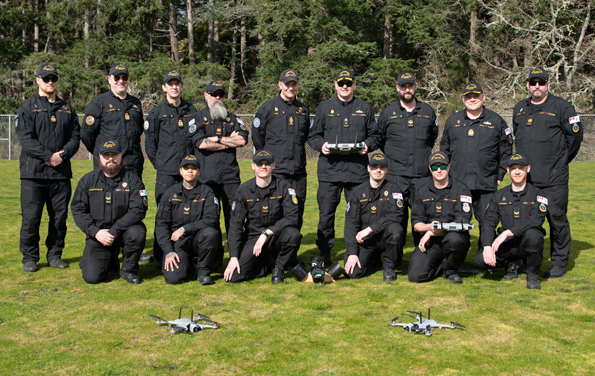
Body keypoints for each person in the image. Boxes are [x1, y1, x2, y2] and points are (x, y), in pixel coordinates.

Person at [512, 68, 583, 278]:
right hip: (528, 179)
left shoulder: (562, 107)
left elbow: (575, 138)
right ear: (527, 85)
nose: (537, 86)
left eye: (541, 83)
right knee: (526, 221)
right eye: (533, 83)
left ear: (548, 85)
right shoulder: (520, 108)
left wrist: (560, 161)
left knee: (556, 219)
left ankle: (559, 262)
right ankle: (530, 259)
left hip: (554, 179)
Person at [308, 69, 381, 264]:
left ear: (354, 85)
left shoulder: (364, 108)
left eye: (348, 83)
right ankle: (324, 254)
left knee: (359, 215)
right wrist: (321, 146)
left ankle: (359, 253)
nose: (345, 86)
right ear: (335, 85)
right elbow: (313, 135)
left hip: (357, 173)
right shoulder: (324, 108)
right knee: (326, 216)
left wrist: (367, 146)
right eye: (341, 83)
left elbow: (375, 135)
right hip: (329, 172)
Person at [16, 63, 80, 272]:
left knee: (59, 219)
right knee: (31, 218)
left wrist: (61, 155)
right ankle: (29, 257)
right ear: (38, 81)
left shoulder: (66, 108)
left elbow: (75, 137)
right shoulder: (27, 107)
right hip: (33, 174)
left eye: (53, 78)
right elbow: (26, 139)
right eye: (46, 79)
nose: (50, 82)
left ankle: (54, 254)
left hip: (60, 175)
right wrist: (48, 157)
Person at [440, 82, 512, 251]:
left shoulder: (496, 121)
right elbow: (444, 152)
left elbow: (506, 152)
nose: (472, 100)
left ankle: (485, 256)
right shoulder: (453, 121)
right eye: (468, 97)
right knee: (457, 221)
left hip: (485, 183)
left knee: (487, 222)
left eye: (476, 96)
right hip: (458, 183)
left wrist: (500, 176)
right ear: (463, 99)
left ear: (483, 98)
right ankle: (456, 257)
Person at [71, 141, 147, 284]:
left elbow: (138, 210)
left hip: (124, 230)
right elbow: (78, 210)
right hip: (99, 234)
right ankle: (107, 259)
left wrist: (114, 230)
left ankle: (128, 270)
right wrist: (95, 232)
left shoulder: (133, 180)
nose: (111, 159)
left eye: (114, 155)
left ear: (121, 156)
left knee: (137, 232)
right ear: (99, 157)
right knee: (92, 277)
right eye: (107, 155)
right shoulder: (87, 181)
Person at [144, 70, 198, 268]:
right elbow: (150, 145)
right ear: (164, 87)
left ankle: (187, 253)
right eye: (170, 83)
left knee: (188, 213)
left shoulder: (191, 110)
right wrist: (160, 165)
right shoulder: (157, 113)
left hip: (187, 173)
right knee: (164, 215)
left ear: (181, 87)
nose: (174, 87)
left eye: (177, 83)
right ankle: (161, 254)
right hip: (166, 174)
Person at [377, 72, 438, 243]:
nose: (407, 89)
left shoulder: (427, 111)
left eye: (410, 86)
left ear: (416, 87)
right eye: (403, 86)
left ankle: (424, 253)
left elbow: (431, 138)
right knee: (396, 218)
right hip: (396, 175)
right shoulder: (388, 112)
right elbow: (381, 139)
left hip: (421, 175)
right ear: (398, 88)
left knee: (423, 216)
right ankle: (395, 257)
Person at [224, 150, 302, 284]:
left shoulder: (284, 186)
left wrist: (266, 233)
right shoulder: (243, 190)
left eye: (267, 163)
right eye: (260, 163)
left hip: (276, 234)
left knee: (293, 235)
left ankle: (279, 268)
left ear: (274, 166)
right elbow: (236, 225)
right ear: (253, 165)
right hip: (253, 237)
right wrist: (234, 257)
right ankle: (265, 264)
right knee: (233, 278)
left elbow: (292, 217)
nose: (263, 166)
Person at [475, 154, 547, 289]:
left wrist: (509, 232)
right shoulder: (499, 195)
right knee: (480, 260)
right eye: (514, 169)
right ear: (508, 170)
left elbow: (536, 220)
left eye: (521, 168)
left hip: (526, 242)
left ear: (528, 169)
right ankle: (510, 264)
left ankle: (532, 274)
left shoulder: (538, 194)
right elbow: (489, 221)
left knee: (534, 235)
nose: (517, 172)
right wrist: (487, 246)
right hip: (508, 244)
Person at [252, 69, 310, 228]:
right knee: (275, 211)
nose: (290, 88)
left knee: (297, 211)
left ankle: (292, 248)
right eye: (287, 84)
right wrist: (267, 161)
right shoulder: (268, 108)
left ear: (298, 85)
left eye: (294, 84)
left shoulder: (303, 110)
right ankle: (273, 247)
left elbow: (304, 137)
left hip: (298, 172)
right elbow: (257, 136)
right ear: (280, 84)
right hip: (276, 171)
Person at [190, 81, 248, 236]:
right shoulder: (197, 118)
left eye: (220, 95)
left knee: (235, 217)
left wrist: (216, 139)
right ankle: (213, 258)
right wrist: (229, 141)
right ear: (206, 95)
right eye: (214, 94)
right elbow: (201, 143)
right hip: (206, 178)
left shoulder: (233, 118)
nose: (217, 98)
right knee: (209, 219)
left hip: (230, 178)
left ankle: (236, 255)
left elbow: (242, 140)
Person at [408, 151, 472, 283]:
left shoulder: (462, 190)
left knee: (454, 239)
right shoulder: (422, 190)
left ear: (448, 167)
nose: (439, 170)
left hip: (454, 238)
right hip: (432, 243)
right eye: (435, 167)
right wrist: (428, 228)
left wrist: (433, 232)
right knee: (416, 276)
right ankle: (443, 266)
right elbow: (416, 223)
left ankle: (450, 269)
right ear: (429, 169)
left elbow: (463, 221)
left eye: (442, 167)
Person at [155, 155, 220, 285]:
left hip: (198, 238)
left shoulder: (207, 192)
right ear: (180, 171)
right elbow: (161, 224)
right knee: (173, 278)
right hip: (178, 242)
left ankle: (203, 272)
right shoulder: (170, 193)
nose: (190, 171)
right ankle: (187, 265)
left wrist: (185, 228)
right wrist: (168, 251)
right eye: (186, 168)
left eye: (193, 168)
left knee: (211, 233)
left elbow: (212, 218)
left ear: (199, 172)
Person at [343, 153, 406, 281]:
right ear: (368, 168)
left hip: (385, 237)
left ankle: (388, 267)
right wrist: (353, 253)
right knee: (353, 273)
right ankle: (374, 260)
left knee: (396, 230)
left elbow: (397, 215)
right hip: (367, 240)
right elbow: (351, 224)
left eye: (382, 167)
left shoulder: (394, 190)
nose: (378, 170)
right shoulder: (357, 193)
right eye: (374, 167)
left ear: (387, 170)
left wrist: (370, 228)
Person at [82, 63, 145, 176]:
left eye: (124, 78)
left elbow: (138, 130)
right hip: (108, 164)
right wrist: (101, 152)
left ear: (129, 80)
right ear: (110, 79)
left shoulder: (135, 103)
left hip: (132, 163)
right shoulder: (98, 103)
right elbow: (87, 135)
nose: (121, 81)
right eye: (117, 77)